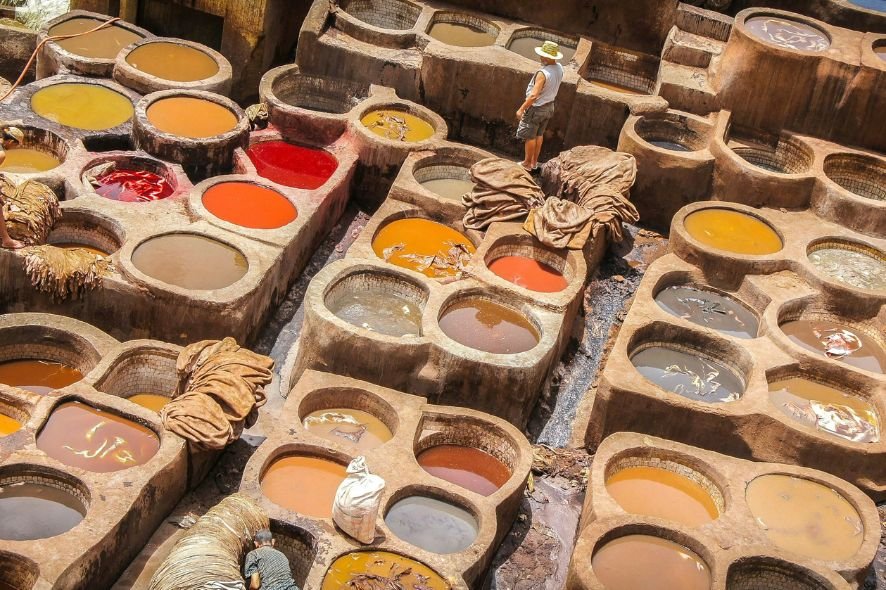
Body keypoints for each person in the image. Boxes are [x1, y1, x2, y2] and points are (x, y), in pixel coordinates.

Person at [515, 40, 565, 173]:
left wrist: (521, 109)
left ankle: (526, 163)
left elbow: (533, 95)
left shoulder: (543, 74)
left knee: (530, 136)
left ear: (548, 57)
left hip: (537, 109)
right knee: (539, 134)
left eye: (543, 55)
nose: (541, 57)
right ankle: (534, 163)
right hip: (549, 107)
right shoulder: (559, 68)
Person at [0, 126, 24, 249]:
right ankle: (6, 240)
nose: (16, 148)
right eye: (16, 145)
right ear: (10, 142)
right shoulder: (2, 154)